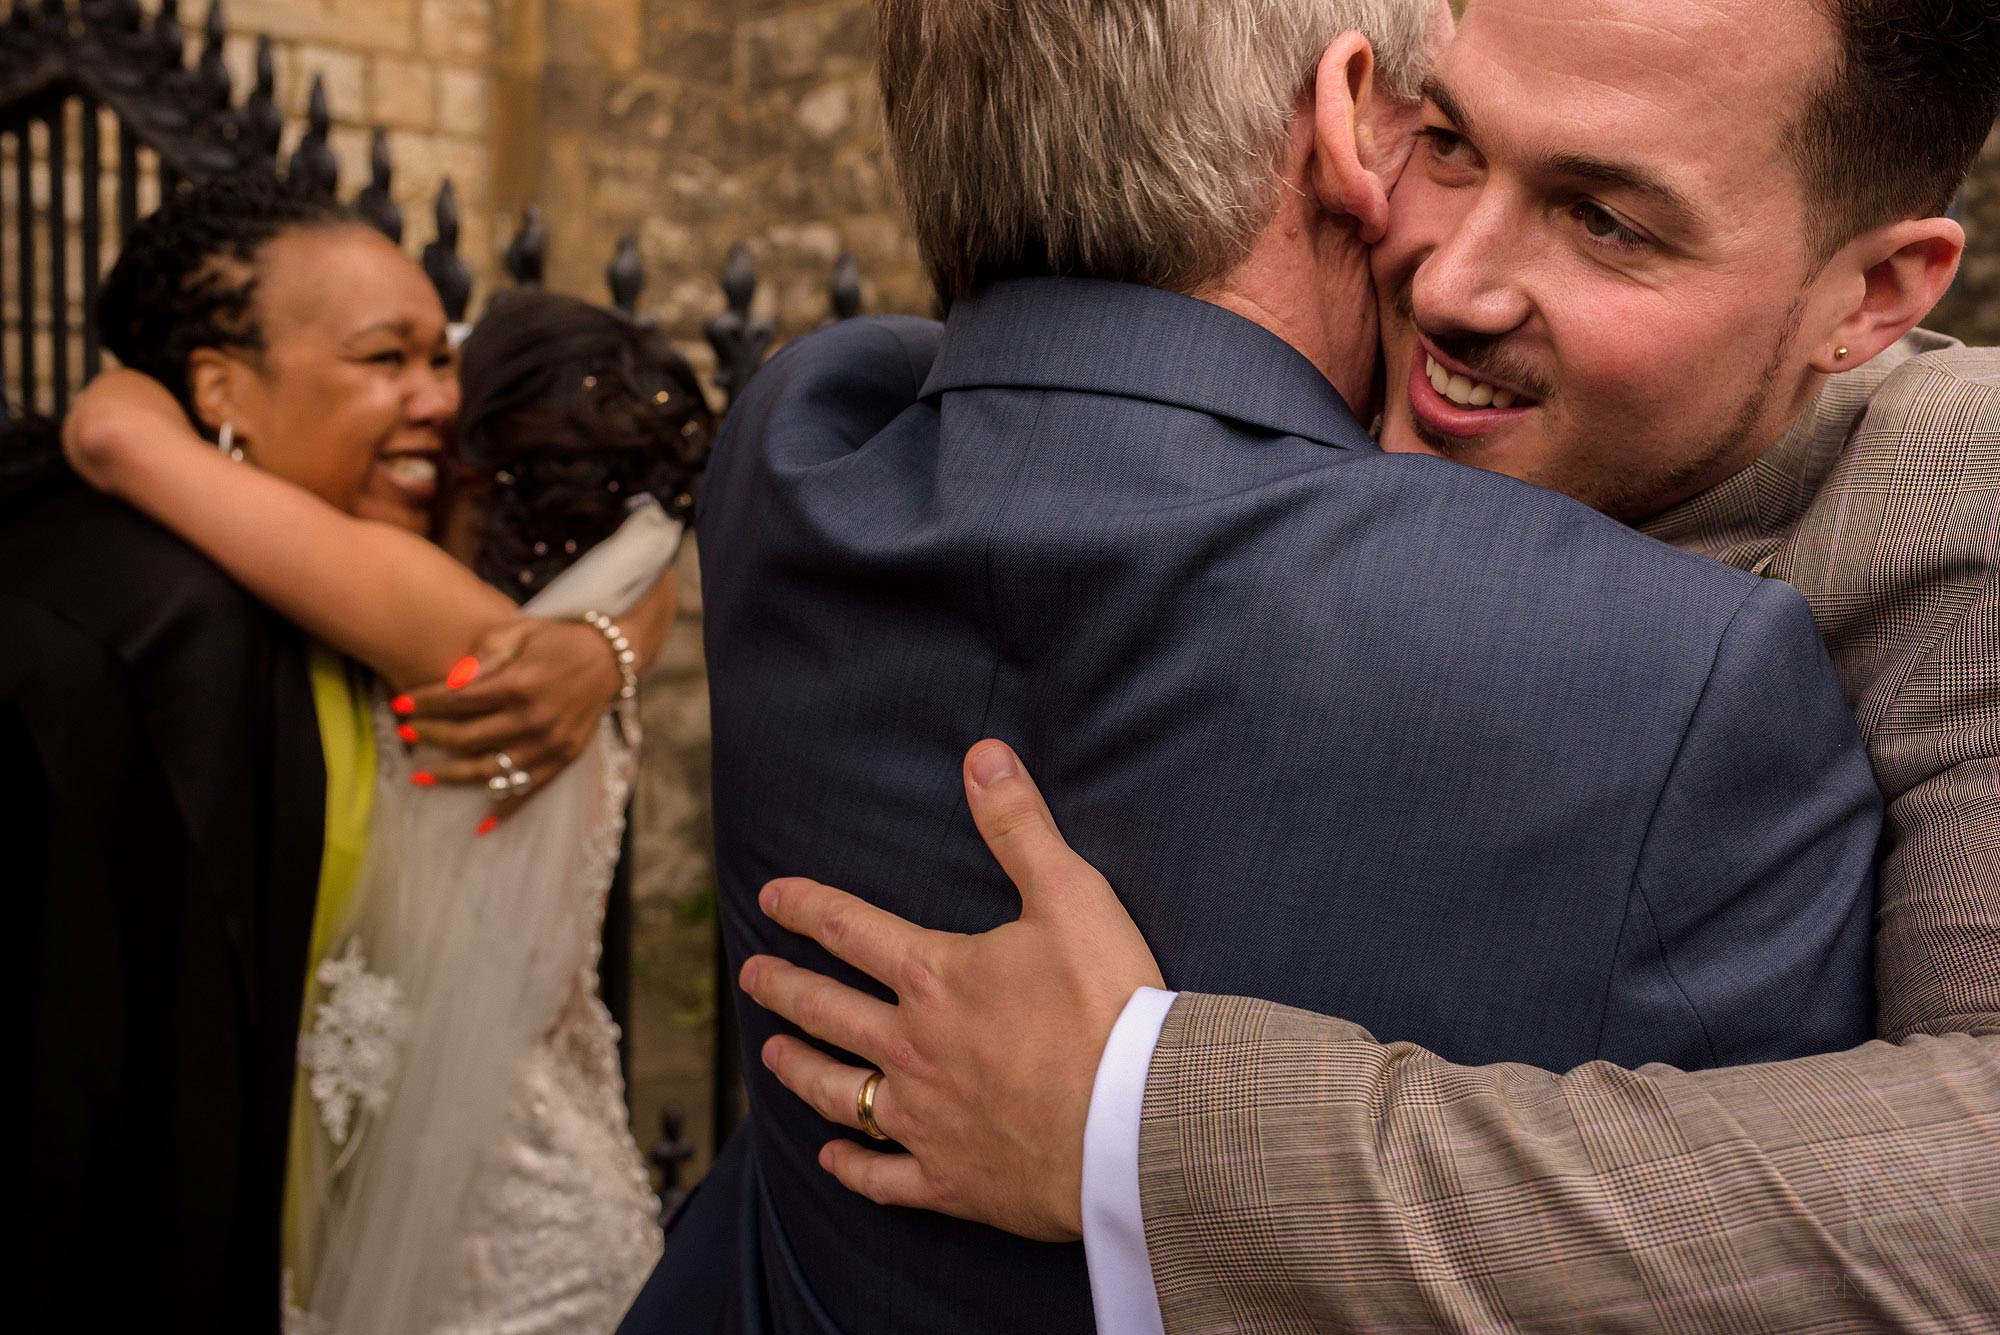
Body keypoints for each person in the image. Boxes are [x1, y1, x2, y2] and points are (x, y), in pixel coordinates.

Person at [619, 0, 1905, 1330]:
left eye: (1602, 219)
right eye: (1443, 138)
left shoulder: (795, 452)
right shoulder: (1681, 678)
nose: (1453, 278)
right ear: (1343, 121)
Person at [43, 178, 704, 1332]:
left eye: (441, 366)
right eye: (393, 360)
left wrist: (611, 640)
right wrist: (619, 635)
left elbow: (113, 432)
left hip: (496, 1255)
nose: (435, 402)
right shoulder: (509, 619)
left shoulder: (467, 623)